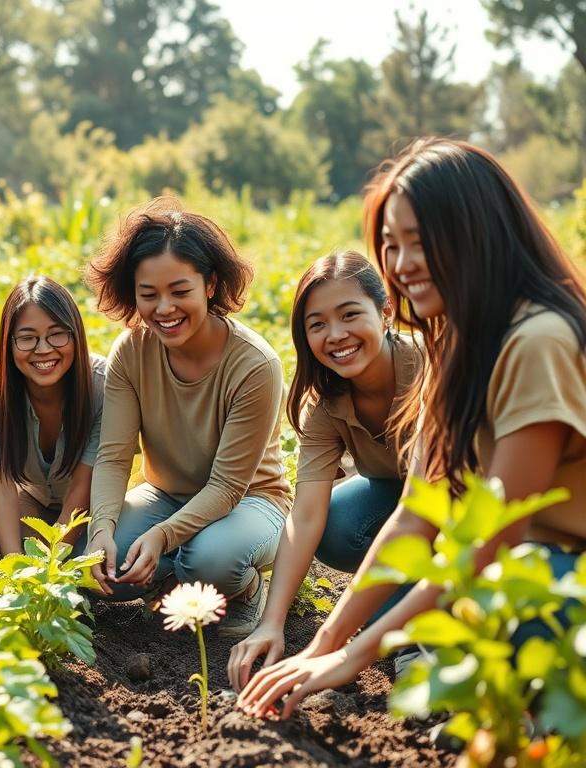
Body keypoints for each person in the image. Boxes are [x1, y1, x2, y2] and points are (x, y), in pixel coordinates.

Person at [237, 137, 586, 719]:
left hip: (556, 569)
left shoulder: (538, 340)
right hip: (530, 562)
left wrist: (356, 656)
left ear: (480, 231)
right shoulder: (452, 340)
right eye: (391, 246)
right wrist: (325, 645)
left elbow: (492, 536)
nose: (400, 265)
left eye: (420, 243)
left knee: (482, 585)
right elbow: (415, 514)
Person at [85, 197, 292, 637]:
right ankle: (172, 577)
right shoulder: (131, 351)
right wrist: (100, 529)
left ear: (211, 285)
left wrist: (162, 538)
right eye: (149, 295)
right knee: (100, 566)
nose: (164, 309)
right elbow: (114, 456)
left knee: (210, 562)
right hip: (166, 495)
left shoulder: (255, 365)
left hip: (250, 501)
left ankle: (245, 587)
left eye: (180, 292)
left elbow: (227, 486)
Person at [226, 250, 422, 691]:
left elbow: (427, 510)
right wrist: (271, 623)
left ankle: (413, 637)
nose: (336, 335)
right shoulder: (327, 401)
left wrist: (330, 640)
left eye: (350, 315)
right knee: (335, 526)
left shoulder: (426, 372)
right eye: (317, 324)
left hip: (461, 500)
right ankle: (399, 615)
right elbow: (306, 516)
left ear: (386, 312)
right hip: (397, 496)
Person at [0, 276, 106, 555]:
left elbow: (84, 483)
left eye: (57, 334)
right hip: (29, 498)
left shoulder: (102, 385)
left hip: (89, 503)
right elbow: (2, 485)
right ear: (9, 343)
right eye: (27, 338)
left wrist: (51, 566)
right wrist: (15, 569)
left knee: (87, 552)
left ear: (75, 335)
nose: (43, 349)